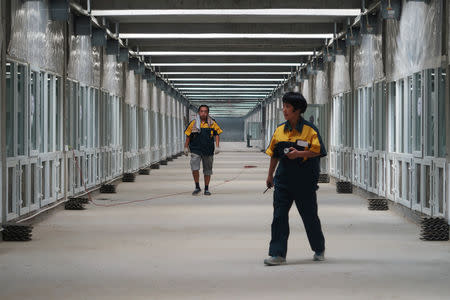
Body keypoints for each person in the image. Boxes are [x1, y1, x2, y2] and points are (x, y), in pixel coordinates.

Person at [264, 92, 327, 266]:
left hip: (305, 182)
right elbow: (274, 155)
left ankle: (319, 248)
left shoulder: (310, 130)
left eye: (288, 107)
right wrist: (270, 175)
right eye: (283, 106)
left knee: (309, 217)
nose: (284, 110)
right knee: (279, 217)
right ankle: (277, 254)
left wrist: (299, 154)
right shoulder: (279, 130)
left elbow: (319, 151)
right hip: (283, 181)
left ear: (297, 110)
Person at [184, 105, 223, 196]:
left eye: (205, 111)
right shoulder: (193, 123)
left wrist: (217, 146)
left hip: (208, 150)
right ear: (198, 112)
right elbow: (188, 135)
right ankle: (197, 187)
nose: (203, 113)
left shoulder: (212, 123)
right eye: (201, 111)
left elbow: (217, 134)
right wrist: (186, 147)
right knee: (195, 168)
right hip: (195, 149)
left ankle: (206, 188)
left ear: (208, 113)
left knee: (207, 170)